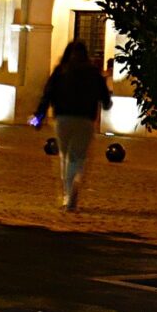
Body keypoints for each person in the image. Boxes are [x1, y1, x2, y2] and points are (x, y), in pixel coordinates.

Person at [33, 40, 113, 211]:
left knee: (65, 156)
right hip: (85, 120)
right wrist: (104, 104)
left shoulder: (60, 71)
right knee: (78, 157)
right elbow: (105, 99)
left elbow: (47, 95)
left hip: (62, 119)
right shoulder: (93, 73)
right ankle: (76, 181)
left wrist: (38, 117)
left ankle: (67, 195)